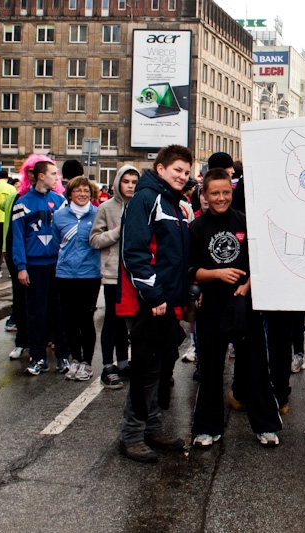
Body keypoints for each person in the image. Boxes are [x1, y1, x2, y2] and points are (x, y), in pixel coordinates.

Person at [189, 168, 282, 448]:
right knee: (210, 369)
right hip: (211, 308)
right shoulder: (196, 227)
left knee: (255, 367)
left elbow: (262, 260)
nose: (221, 198)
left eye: (226, 192)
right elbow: (192, 271)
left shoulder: (246, 221)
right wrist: (216, 274)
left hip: (244, 305)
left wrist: (248, 285)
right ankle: (206, 427)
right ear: (203, 194)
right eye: (215, 193)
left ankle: (266, 426)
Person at [117, 145, 191, 463]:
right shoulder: (145, 199)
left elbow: (175, 256)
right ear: (160, 169)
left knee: (157, 370)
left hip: (166, 302)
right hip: (148, 303)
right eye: (177, 170)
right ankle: (131, 435)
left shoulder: (173, 203)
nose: (183, 176)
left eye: (186, 172)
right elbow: (134, 252)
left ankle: (151, 426)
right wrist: (155, 295)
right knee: (146, 370)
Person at [11, 159, 71, 376]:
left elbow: (69, 235)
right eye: (53, 173)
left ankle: (63, 356)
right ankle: (38, 358)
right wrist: (21, 266)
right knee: (36, 314)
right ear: (41, 176)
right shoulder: (22, 203)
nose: (58, 177)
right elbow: (17, 239)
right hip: (34, 267)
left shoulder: (61, 202)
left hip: (58, 266)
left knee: (59, 313)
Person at [90, 164, 139, 389]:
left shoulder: (141, 205)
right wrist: (117, 231)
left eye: (134, 182)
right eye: (126, 181)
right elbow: (95, 239)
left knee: (128, 318)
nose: (130, 186)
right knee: (112, 318)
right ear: (118, 182)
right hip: (112, 273)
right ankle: (107, 366)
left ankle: (123, 361)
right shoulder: (106, 208)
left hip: (134, 273)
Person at [53, 176, 101, 382]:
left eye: (86, 191)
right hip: (65, 274)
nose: (82, 194)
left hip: (90, 275)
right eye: (78, 190)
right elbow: (57, 242)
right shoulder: (59, 216)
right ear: (70, 193)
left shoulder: (98, 214)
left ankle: (87, 363)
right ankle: (75, 359)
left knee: (85, 318)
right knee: (69, 319)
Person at [0, 170, 17, 278]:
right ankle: (10, 271)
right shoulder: (11, 188)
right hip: (5, 219)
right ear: (7, 177)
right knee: (5, 245)